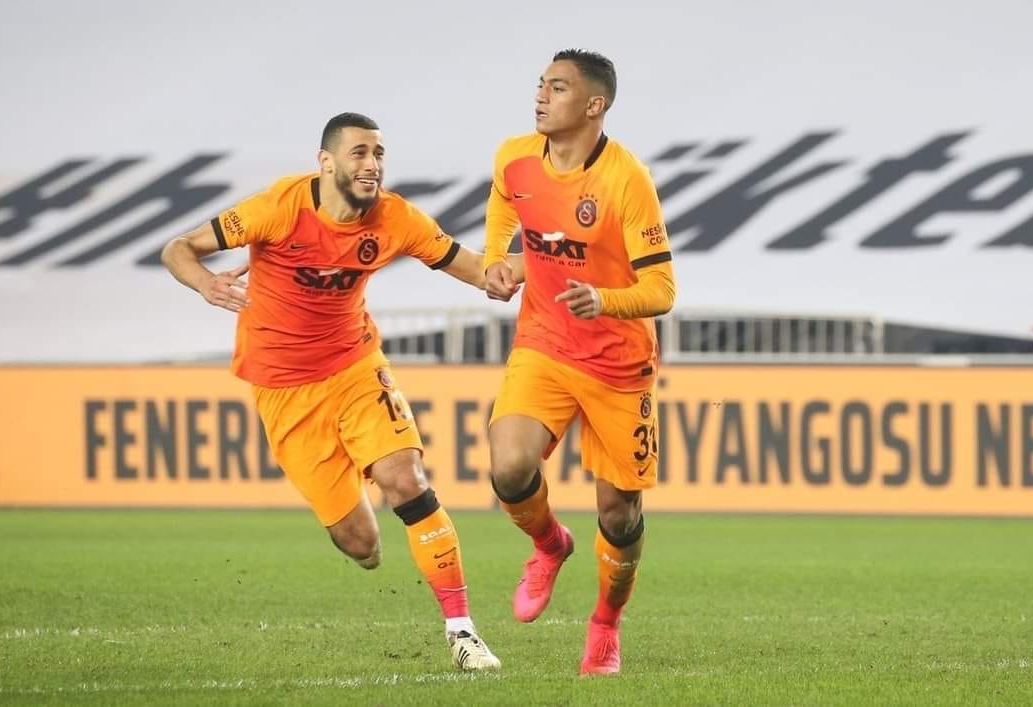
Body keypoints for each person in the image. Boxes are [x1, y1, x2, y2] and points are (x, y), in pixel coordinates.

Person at [163, 112, 521, 671]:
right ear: (325, 162)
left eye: (378, 153)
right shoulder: (277, 208)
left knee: (406, 479)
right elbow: (178, 248)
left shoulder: (396, 217)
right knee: (362, 545)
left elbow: (477, 269)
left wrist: (545, 265)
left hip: (355, 366)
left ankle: (462, 632)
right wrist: (207, 282)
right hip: (283, 389)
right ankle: (357, 479)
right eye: (359, 153)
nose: (372, 164)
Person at [482, 50, 677, 675]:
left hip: (619, 365)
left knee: (619, 516)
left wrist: (604, 300)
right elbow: (504, 199)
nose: (541, 96)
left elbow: (663, 290)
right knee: (509, 466)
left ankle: (605, 625)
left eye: (558, 88)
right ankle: (549, 545)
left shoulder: (627, 180)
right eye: (541, 84)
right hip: (544, 342)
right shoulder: (515, 156)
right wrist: (496, 257)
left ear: (595, 105)